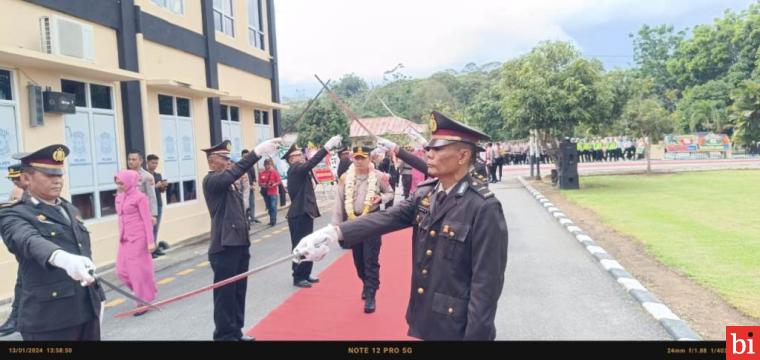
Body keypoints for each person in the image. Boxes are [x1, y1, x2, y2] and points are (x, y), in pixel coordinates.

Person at [295, 111, 508, 341]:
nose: (429, 153)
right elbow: (387, 218)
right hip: (426, 316)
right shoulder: (427, 194)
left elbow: (485, 288)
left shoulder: (483, 207)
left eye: (437, 149)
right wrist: (333, 232)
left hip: (457, 327)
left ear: (463, 155)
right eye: (429, 148)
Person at [0, 145, 106, 340]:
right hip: (49, 321)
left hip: (87, 312)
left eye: (59, 174)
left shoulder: (70, 209)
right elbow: (28, 240)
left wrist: (98, 299)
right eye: (48, 175)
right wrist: (62, 258)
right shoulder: (12, 213)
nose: (57, 180)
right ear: (25, 179)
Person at [201, 138, 281, 341]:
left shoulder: (230, 183)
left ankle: (236, 330)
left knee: (238, 291)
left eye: (229, 159)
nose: (229, 162)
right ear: (212, 161)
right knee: (225, 295)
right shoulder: (211, 181)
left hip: (239, 243)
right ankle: (224, 335)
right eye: (224, 158)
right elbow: (234, 172)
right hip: (224, 247)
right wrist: (256, 153)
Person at [332, 146, 394, 313]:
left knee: (370, 259)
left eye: (362, 158)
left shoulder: (379, 176)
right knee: (358, 260)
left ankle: (371, 294)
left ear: (369, 159)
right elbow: (339, 202)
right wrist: (336, 227)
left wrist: (381, 198)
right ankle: (366, 283)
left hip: (372, 220)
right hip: (353, 223)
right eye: (356, 158)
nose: (359, 161)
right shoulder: (345, 177)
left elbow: (390, 193)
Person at [284, 134, 343, 288]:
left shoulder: (300, 170)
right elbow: (311, 163)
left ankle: (305, 273)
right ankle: (298, 276)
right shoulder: (295, 169)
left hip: (304, 212)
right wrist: (327, 147)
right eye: (296, 155)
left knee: (309, 244)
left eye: (300, 154)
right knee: (301, 246)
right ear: (290, 160)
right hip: (298, 214)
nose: (300, 156)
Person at [114, 169, 157, 316]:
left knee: (137, 272)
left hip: (138, 238)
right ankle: (143, 291)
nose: (119, 186)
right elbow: (120, 218)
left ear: (130, 182)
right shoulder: (118, 198)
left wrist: (151, 241)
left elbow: (147, 220)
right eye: (117, 183)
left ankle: (141, 302)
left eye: (122, 183)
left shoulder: (140, 197)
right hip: (124, 238)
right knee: (121, 271)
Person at [0, 164, 27, 336]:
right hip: (25, 250)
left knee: (24, 284)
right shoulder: (17, 192)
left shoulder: (26, 193)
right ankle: (16, 318)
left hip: (36, 250)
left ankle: (17, 319)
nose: (15, 182)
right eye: (12, 179)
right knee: (22, 284)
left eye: (16, 178)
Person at [127, 150, 158, 227]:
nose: (130, 162)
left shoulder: (147, 176)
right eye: (129, 159)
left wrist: (153, 215)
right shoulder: (125, 175)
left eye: (133, 159)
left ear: (141, 161)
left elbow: (151, 197)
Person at [146, 154, 167, 258]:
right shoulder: (145, 176)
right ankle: (150, 251)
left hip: (158, 204)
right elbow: (145, 191)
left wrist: (163, 186)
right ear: (147, 162)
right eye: (153, 163)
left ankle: (154, 249)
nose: (155, 165)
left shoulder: (158, 175)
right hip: (149, 206)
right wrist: (156, 186)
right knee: (150, 229)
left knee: (156, 228)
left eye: (156, 163)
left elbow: (161, 191)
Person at [258, 159, 281, 226]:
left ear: (270, 165)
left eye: (268, 164)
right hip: (265, 192)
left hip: (273, 192)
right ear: (264, 165)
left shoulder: (274, 172)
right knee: (269, 207)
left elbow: (279, 181)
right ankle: (271, 219)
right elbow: (259, 183)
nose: (267, 166)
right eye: (266, 165)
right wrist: (263, 184)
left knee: (273, 206)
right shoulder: (261, 173)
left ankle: (273, 220)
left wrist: (274, 184)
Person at [241, 150, 261, 224]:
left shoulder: (251, 165)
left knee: (252, 203)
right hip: (243, 188)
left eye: (247, 155)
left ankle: (252, 217)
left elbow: (253, 177)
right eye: (244, 156)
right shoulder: (240, 165)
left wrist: (252, 185)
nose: (246, 157)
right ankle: (246, 219)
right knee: (245, 203)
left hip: (251, 187)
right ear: (242, 156)